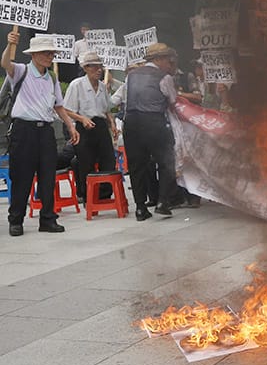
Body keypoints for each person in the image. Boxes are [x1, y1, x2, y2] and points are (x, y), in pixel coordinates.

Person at [2, 32, 81, 236]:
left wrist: (71, 126)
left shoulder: (51, 77)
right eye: (46, 53)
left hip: (45, 132)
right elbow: (6, 64)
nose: (50, 56)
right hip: (23, 130)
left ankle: (48, 218)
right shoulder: (21, 71)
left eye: (51, 53)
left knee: (47, 176)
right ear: (34, 55)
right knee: (21, 177)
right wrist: (9, 44)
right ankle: (16, 220)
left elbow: (59, 106)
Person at [122, 42, 181, 220]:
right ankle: (163, 202)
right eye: (167, 59)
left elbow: (126, 98)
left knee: (136, 166)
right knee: (166, 161)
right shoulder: (164, 77)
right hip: (154, 121)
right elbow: (172, 100)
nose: (169, 63)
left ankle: (140, 208)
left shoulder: (130, 76)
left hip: (131, 122)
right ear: (159, 59)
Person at [62, 51, 118, 202]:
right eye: (94, 67)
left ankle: (105, 194)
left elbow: (106, 110)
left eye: (100, 67)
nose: (98, 70)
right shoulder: (77, 85)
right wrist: (82, 118)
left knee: (109, 162)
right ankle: (89, 197)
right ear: (86, 68)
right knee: (85, 163)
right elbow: (66, 109)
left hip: (100, 126)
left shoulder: (102, 86)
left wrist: (112, 123)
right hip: (84, 127)